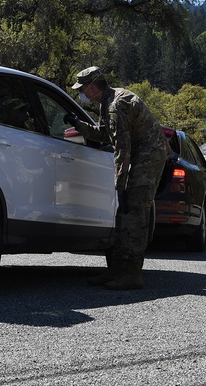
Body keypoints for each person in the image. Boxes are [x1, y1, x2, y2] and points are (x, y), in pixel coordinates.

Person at [66, 66, 169, 290]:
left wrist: (120, 184)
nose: (81, 93)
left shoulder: (116, 105)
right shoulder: (107, 102)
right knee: (123, 214)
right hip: (139, 154)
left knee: (135, 212)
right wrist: (79, 125)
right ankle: (116, 270)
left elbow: (122, 148)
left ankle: (132, 274)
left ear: (93, 87)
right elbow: (106, 134)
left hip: (148, 155)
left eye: (82, 88)